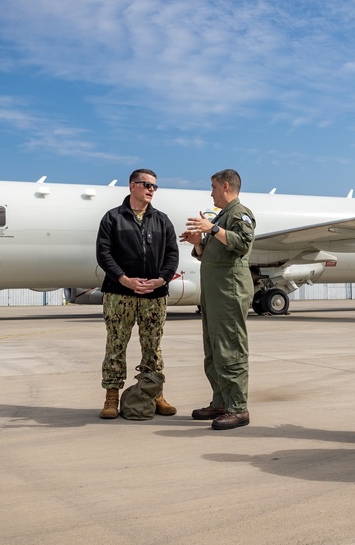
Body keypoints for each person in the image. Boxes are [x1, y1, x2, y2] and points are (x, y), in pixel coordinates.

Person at [95, 169, 180, 419]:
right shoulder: (113, 218)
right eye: (147, 185)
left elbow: (172, 254)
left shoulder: (162, 220)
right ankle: (111, 397)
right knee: (116, 346)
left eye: (155, 186)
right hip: (119, 295)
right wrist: (124, 280)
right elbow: (104, 254)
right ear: (133, 186)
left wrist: (161, 279)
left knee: (153, 347)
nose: (152, 189)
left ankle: (155, 394)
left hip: (154, 295)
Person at [180, 169, 256, 430]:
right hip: (215, 294)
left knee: (230, 349)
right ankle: (221, 402)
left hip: (229, 292)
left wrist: (212, 228)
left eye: (213, 187)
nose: (210, 192)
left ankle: (238, 408)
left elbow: (243, 244)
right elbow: (211, 255)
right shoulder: (223, 216)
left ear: (226, 186)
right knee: (213, 350)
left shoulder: (239, 214)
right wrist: (198, 242)